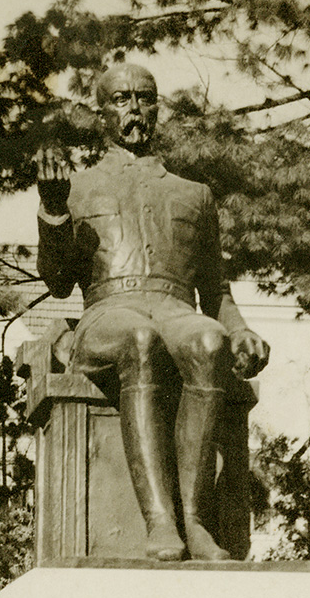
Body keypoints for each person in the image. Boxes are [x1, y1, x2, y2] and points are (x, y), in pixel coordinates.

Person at [36, 62, 269, 561]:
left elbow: (216, 291)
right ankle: (160, 520)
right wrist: (53, 212)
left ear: (157, 108)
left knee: (209, 341)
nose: (134, 109)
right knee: (140, 339)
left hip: (177, 309)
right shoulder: (77, 188)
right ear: (101, 114)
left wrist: (241, 331)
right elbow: (57, 282)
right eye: (121, 100)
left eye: (144, 98)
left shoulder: (194, 194)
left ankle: (196, 520)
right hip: (108, 312)